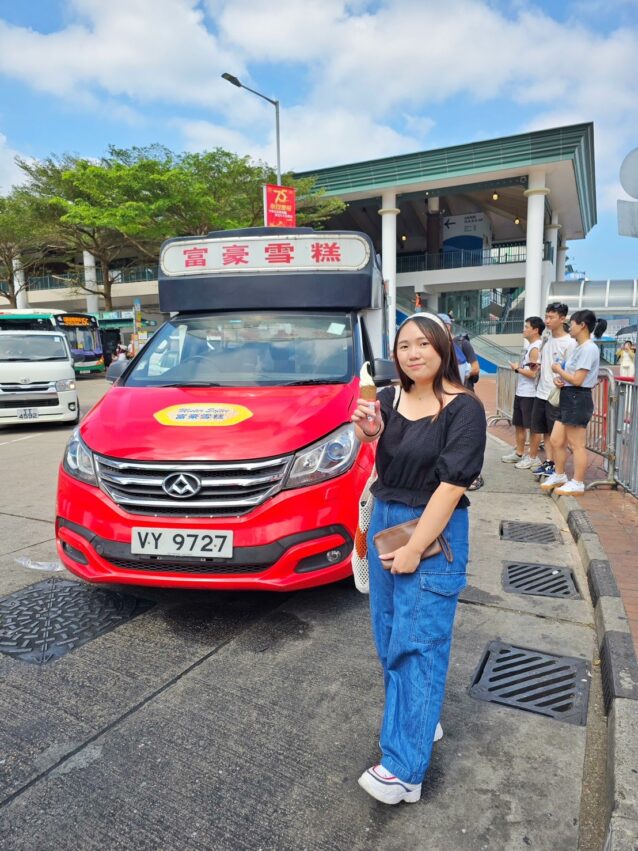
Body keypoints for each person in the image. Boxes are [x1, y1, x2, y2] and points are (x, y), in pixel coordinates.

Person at [350, 312, 486, 805]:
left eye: (423, 344)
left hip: (434, 529)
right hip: (387, 518)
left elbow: (452, 487)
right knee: (389, 638)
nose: (412, 353)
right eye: (404, 345)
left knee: (420, 642)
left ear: (443, 348)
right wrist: (369, 433)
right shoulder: (387, 399)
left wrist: (413, 549)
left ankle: (404, 771)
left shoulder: (463, 409)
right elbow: (385, 459)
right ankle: (420, 719)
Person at [540, 309, 604, 496]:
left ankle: (578, 482)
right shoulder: (579, 347)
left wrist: (559, 370)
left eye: (573, 324)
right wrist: (561, 380)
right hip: (569, 395)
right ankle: (560, 475)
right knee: (556, 440)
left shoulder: (588, 348)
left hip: (578, 397)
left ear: (582, 325)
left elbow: (578, 379)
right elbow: (572, 378)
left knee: (577, 444)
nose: (570, 327)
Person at [529, 303, 577, 480]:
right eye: (546, 316)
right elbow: (546, 364)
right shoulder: (547, 341)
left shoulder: (570, 343)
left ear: (562, 318)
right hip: (541, 393)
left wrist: (562, 380)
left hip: (556, 395)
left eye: (551, 317)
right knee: (546, 432)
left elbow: (571, 370)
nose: (547, 321)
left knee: (558, 436)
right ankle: (550, 462)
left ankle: (559, 469)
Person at [437, 313, 484, 489]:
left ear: (448, 327)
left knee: (466, 438)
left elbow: (475, 368)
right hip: (442, 397)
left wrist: (458, 376)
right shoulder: (436, 347)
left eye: (442, 325)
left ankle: (473, 475)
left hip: (464, 395)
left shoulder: (462, 344)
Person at [502, 316, 545, 467]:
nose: (524, 329)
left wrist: (517, 369)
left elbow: (534, 374)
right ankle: (519, 453)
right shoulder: (531, 346)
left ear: (535, 330)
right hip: (522, 392)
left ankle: (532, 457)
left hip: (531, 394)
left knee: (533, 428)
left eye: (526, 327)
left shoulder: (535, 348)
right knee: (519, 424)